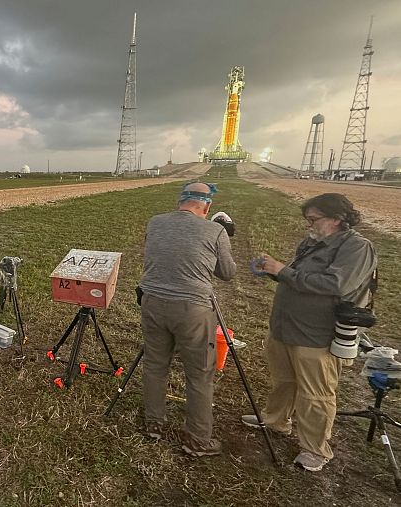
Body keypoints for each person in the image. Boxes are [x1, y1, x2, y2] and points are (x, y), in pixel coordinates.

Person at [242, 193, 376, 472]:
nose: (308, 225)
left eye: (313, 219)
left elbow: (336, 285)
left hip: (316, 335)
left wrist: (284, 272)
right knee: (284, 380)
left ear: (337, 219)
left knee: (315, 394)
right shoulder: (313, 243)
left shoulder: (357, 247)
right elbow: (298, 276)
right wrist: (273, 270)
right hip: (285, 327)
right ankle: (276, 419)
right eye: (307, 220)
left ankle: (315, 449)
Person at [138, 182, 236, 457]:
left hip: (153, 301)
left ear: (179, 201)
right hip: (193, 309)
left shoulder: (155, 223)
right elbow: (227, 273)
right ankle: (197, 440)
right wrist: (224, 238)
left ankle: (153, 424)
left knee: (156, 365)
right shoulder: (215, 230)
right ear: (207, 206)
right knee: (199, 374)